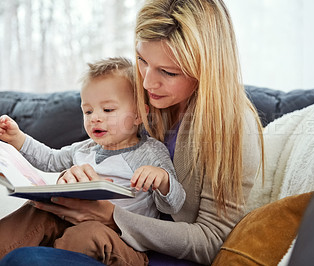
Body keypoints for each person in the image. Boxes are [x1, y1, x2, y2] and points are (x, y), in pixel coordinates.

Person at [0, 0, 264, 265]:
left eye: (168, 72)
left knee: (28, 259)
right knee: (35, 217)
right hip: (89, 231)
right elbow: (62, 157)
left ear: (207, 69)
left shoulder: (234, 126)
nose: (147, 82)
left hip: (146, 253)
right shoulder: (140, 100)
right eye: (142, 60)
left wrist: (111, 216)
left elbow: (211, 242)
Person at [0, 57, 185, 265]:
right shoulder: (84, 148)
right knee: (37, 209)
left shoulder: (149, 151)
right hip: (71, 223)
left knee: (90, 233)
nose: (95, 118)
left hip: (123, 244)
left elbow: (177, 203)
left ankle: (49, 257)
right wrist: (18, 139)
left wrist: (164, 181)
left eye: (107, 110)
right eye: (88, 111)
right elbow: (50, 159)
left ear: (138, 115)